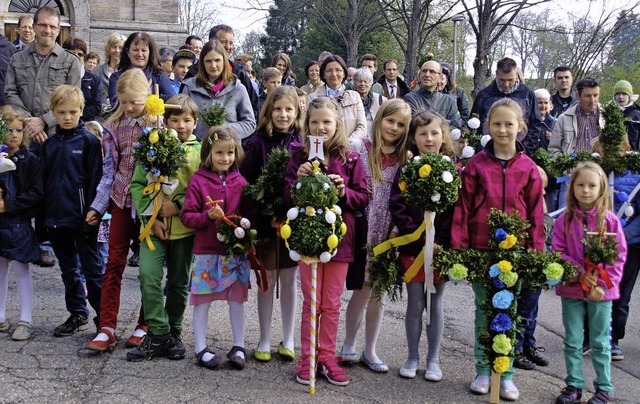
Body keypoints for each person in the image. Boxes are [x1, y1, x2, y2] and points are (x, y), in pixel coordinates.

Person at [451, 98, 544, 401]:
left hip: (514, 253)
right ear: (488, 126)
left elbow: (535, 215)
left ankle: (505, 375)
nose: (503, 130)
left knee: (509, 312)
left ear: (521, 128)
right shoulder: (476, 164)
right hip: (481, 249)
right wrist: (459, 248)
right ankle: (482, 370)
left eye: (509, 124)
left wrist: (534, 251)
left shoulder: (529, 168)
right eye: (497, 124)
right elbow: (463, 208)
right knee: (485, 310)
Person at [284, 97, 369, 386]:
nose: (320, 127)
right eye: (314, 122)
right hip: (307, 242)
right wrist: (298, 179)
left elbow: (362, 198)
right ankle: (307, 356)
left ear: (337, 125)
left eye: (327, 122)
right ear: (307, 125)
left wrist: (344, 191)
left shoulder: (351, 158)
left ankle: (327, 356)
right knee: (312, 302)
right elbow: (285, 196)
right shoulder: (298, 157)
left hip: (339, 242)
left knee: (331, 303)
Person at [4, 6, 82, 268]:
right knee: (24, 187)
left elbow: (73, 97)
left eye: (52, 26)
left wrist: (44, 122)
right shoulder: (17, 59)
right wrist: (29, 123)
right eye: (43, 25)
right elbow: (10, 93)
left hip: (54, 136)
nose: (47, 30)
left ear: (59, 30)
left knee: (51, 189)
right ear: (34, 27)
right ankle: (24, 239)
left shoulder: (70, 61)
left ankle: (47, 242)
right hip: (24, 135)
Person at [127, 94, 202, 361]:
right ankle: (159, 332)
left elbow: (203, 188)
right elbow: (138, 184)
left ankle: (174, 332)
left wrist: (179, 206)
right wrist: (154, 217)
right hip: (154, 228)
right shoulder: (152, 146)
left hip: (185, 229)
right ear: (165, 120)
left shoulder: (200, 152)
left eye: (187, 120)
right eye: (174, 119)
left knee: (179, 282)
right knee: (148, 275)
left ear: (196, 122)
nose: (181, 125)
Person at [342, 99, 410, 374]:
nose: (393, 128)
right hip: (361, 228)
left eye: (400, 124)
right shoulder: (359, 149)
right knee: (360, 290)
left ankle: (370, 349)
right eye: (390, 120)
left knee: (377, 292)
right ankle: (348, 345)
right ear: (380, 118)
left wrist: (397, 232)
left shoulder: (405, 159)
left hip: (387, 231)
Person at [84, 68, 151, 352]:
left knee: (149, 268)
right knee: (113, 262)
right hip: (121, 200)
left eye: (135, 101)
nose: (130, 107)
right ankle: (107, 325)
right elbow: (109, 171)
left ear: (147, 96)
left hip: (149, 204)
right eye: (124, 101)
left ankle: (145, 324)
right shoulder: (113, 128)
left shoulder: (157, 123)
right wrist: (98, 206)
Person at [389, 110, 455, 381]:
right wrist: (415, 235)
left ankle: (433, 359)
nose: (429, 139)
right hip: (412, 249)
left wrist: (440, 241)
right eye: (422, 134)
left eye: (434, 133)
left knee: (435, 303)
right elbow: (398, 205)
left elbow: (455, 211)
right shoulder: (406, 170)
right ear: (413, 139)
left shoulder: (452, 171)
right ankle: (412, 356)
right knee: (415, 303)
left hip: (440, 250)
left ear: (443, 136)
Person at [552, 161, 626, 404]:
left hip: (600, 293)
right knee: (572, 340)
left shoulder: (611, 221)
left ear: (601, 188)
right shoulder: (564, 220)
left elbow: (618, 256)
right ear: (572, 187)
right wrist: (578, 273)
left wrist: (603, 284)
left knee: (600, 342)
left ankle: (604, 387)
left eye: (591, 185)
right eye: (580, 185)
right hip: (572, 289)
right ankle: (573, 384)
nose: (585, 190)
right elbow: (558, 252)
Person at [181, 126, 253, 370]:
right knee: (202, 300)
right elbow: (187, 217)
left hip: (234, 253)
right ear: (208, 153)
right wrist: (207, 217)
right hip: (206, 252)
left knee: (236, 300)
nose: (225, 158)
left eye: (230, 153)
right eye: (219, 153)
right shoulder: (198, 181)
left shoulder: (240, 181)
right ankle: (200, 348)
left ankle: (239, 345)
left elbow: (248, 212)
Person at [240, 86, 303, 364]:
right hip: (264, 223)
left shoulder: (301, 142)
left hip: (292, 222)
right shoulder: (256, 142)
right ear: (268, 111)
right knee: (267, 281)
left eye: (288, 109)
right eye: (277, 109)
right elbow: (246, 182)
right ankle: (264, 338)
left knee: (289, 281)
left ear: (297, 112)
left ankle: (288, 338)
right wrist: (258, 215)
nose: (283, 114)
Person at [40, 85, 103, 337]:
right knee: (68, 269)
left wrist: (93, 212)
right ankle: (77, 312)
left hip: (82, 218)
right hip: (57, 218)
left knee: (92, 269)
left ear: (81, 112)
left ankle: (104, 317)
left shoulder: (88, 142)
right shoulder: (49, 145)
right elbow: (43, 182)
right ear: (53, 112)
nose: (68, 117)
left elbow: (95, 180)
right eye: (62, 112)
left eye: (73, 112)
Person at [0, 105, 43, 341]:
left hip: (18, 223)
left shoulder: (30, 160)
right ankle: (1, 316)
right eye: (9, 129)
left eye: (18, 130)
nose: (14, 135)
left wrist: (10, 205)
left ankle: (26, 319)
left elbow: (36, 193)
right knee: (0, 268)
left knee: (20, 268)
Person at [180, 40, 255, 141]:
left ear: (224, 61)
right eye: (208, 61)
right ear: (202, 63)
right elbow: (181, 120)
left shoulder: (238, 88)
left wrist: (225, 130)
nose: (213, 65)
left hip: (227, 151)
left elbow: (250, 123)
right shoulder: (190, 87)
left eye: (217, 60)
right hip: (197, 150)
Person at [470, 58, 545, 154]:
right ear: (496, 73)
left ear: (516, 73)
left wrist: (526, 149)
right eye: (502, 80)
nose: (506, 84)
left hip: (520, 151)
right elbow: (474, 124)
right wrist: (482, 149)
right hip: (488, 152)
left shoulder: (527, 94)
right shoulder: (484, 95)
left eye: (510, 80)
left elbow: (536, 124)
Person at [184, 25, 259, 118]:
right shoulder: (194, 73)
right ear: (212, 42)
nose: (228, 47)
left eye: (231, 43)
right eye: (223, 42)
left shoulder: (238, 72)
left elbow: (253, 107)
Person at [306, 55, 367, 140]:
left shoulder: (354, 97)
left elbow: (362, 127)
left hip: (349, 149)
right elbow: (306, 127)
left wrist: (346, 145)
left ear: (344, 73)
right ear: (323, 74)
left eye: (338, 70)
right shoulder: (312, 98)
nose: (334, 74)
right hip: (322, 149)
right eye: (329, 70)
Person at [107, 32, 174, 105]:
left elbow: (170, 98)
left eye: (144, 50)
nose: (139, 54)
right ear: (127, 52)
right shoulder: (117, 77)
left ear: (150, 52)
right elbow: (115, 102)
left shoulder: (159, 75)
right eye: (135, 50)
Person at [549, 77, 604, 158]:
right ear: (578, 95)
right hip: (573, 169)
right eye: (587, 96)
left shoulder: (607, 118)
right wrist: (565, 165)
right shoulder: (564, 118)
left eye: (595, 95)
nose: (592, 100)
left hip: (600, 168)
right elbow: (553, 149)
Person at [404, 60, 462, 129]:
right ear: (420, 75)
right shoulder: (411, 98)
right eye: (424, 71)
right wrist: (446, 122)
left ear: (440, 77)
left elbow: (456, 126)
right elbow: (415, 124)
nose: (427, 74)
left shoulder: (449, 101)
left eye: (432, 71)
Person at [62, 37, 102, 122]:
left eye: (80, 54)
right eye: (72, 53)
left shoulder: (94, 79)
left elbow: (97, 106)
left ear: (84, 57)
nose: (76, 57)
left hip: (85, 124)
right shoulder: (59, 76)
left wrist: (77, 115)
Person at [352, 67, 387, 138]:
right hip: (354, 140)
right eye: (359, 81)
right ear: (354, 83)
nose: (363, 84)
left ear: (371, 83)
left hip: (374, 140)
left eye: (366, 81)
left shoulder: (381, 100)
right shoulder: (349, 99)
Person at [95, 33, 126, 108]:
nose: (117, 50)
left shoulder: (128, 72)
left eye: (120, 48)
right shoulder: (97, 70)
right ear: (108, 49)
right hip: (100, 115)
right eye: (114, 47)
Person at [613, 80, 640, 151]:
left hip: (634, 157)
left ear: (629, 96)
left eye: (624, 94)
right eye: (618, 94)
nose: (620, 97)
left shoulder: (637, 115)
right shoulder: (610, 114)